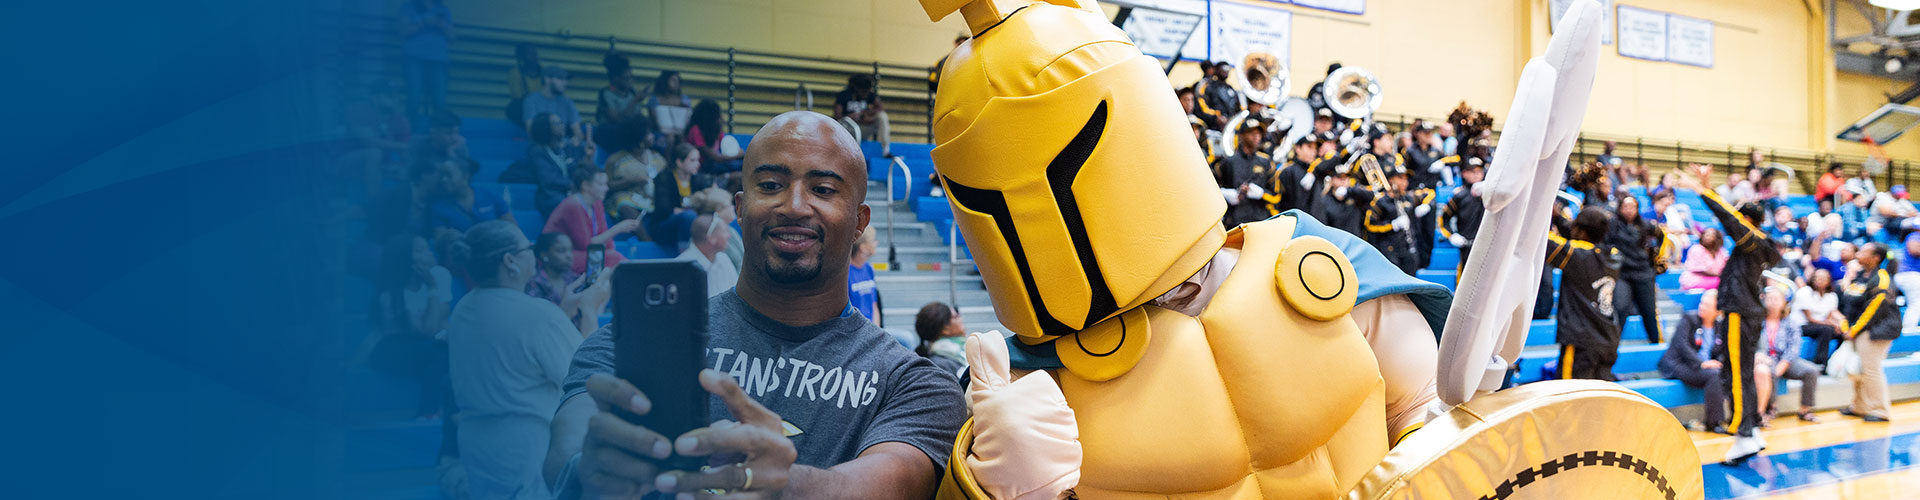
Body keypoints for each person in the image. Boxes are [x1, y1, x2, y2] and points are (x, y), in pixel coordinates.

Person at [543, 111, 967, 500]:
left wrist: (788, 487)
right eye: (770, 186)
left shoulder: (912, 383)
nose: (794, 206)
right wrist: (592, 468)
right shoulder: (631, 347)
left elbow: (892, 483)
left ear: (860, 221)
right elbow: (565, 450)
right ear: (742, 210)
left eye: (822, 189)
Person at [445, 220, 586, 500]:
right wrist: (590, 311)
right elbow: (585, 377)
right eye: (528, 247)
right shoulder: (538, 314)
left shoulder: (463, 309)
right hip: (526, 450)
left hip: (478, 445)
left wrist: (561, 315)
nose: (533, 252)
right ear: (510, 261)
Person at [1672, 164, 1783, 463]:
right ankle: (1751, 431)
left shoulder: (1753, 241)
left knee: (1736, 375)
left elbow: (1727, 217)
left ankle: (1743, 432)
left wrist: (1703, 189)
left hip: (1740, 314)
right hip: (1746, 313)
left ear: (1747, 220)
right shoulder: (1756, 247)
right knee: (1739, 373)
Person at [367, 234, 453, 419]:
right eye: (420, 251)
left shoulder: (440, 274)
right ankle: (428, 412)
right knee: (437, 353)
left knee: (451, 350)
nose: (429, 253)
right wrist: (432, 289)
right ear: (404, 258)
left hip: (426, 344)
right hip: (392, 349)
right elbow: (429, 330)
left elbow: (441, 317)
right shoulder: (391, 296)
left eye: (427, 248)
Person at [1547, 206, 1619, 381]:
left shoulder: (1577, 255)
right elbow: (1579, 239)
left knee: (1571, 399)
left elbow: (1543, 240)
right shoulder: (1614, 256)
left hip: (1581, 341)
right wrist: (1558, 218)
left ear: (1580, 230)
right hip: (1608, 339)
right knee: (1597, 400)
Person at [1839, 242, 1900, 423]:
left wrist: (1854, 329)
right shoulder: (1859, 276)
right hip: (1858, 329)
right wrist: (1845, 326)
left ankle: (1880, 410)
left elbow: (1874, 308)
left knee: (1871, 370)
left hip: (1877, 330)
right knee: (1859, 369)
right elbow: (1847, 303)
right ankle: (1859, 406)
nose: (1859, 253)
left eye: (1865, 251)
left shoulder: (1882, 277)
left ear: (1876, 258)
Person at [545, 165, 637, 275]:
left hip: (581, 253)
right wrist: (617, 229)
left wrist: (611, 249)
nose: (606, 188)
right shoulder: (573, 205)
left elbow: (604, 235)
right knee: (611, 258)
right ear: (585, 185)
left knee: (611, 255)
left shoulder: (597, 202)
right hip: (558, 256)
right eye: (601, 184)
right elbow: (587, 245)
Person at [1660, 290, 1727, 434]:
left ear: (1717, 310)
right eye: (1702, 303)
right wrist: (1702, 363)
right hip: (1679, 365)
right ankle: (1714, 422)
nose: (1702, 306)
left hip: (1702, 369)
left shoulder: (1720, 327)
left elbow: (1722, 351)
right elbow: (1681, 345)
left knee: (1723, 373)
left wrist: (1718, 362)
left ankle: (1736, 418)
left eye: (1707, 305)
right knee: (1714, 375)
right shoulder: (1689, 319)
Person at [1755, 286, 1822, 425]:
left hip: (1787, 359)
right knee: (1769, 370)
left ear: (1784, 302)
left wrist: (1785, 362)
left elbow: (1794, 346)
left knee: (1812, 370)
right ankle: (1769, 409)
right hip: (1766, 359)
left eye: (1776, 299)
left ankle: (1805, 409)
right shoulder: (1757, 322)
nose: (1773, 302)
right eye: (1770, 299)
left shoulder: (1791, 322)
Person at [524, 232, 612, 335]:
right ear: (544, 254)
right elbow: (537, 324)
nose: (569, 255)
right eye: (561, 250)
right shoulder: (535, 284)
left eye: (570, 250)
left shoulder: (576, 279)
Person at [1609, 195, 1667, 343]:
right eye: (1625, 207)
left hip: (1643, 273)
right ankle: (1612, 345)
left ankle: (1656, 342)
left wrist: (1656, 256)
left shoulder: (1646, 225)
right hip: (1622, 274)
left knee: (1649, 311)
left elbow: (1663, 236)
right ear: (1620, 208)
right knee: (1620, 307)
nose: (1629, 210)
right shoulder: (1611, 225)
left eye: (1632, 207)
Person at [522, 112, 593, 221]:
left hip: (570, 191)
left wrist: (587, 157)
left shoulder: (566, 147)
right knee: (567, 203)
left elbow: (577, 171)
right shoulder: (537, 151)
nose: (562, 125)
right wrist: (573, 185)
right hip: (551, 196)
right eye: (557, 124)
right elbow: (548, 179)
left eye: (561, 122)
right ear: (545, 128)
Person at [602, 120, 664, 229]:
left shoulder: (657, 158)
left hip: (653, 198)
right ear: (638, 138)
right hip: (627, 197)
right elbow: (607, 185)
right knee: (625, 206)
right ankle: (646, 241)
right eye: (648, 134)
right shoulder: (615, 160)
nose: (652, 136)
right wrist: (631, 181)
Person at [1212, 121, 1275, 228]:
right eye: (1252, 133)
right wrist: (1224, 193)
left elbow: (1276, 196)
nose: (1256, 137)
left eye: (1258, 134)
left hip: (1259, 221)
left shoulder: (1266, 162)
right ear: (1241, 136)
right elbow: (1212, 188)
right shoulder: (1228, 162)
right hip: (1234, 221)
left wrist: (1262, 193)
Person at [399, 0, 452, 123]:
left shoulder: (443, 9)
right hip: (414, 58)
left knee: (440, 102)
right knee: (413, 100)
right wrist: (424, 22)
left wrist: (441, 24)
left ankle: (440, 134)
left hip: (438, 60)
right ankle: (409, 136)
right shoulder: (408, 6)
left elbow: (453, 36)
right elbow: (402, 32)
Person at [1364, 167, 1424, 274]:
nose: (1404, 182)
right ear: (1391, 180)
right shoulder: (1381, 201)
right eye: (1400, 178)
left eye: (1406, 179)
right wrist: (1392, 225)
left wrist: (1426, 205)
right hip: (1389, 248)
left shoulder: (1408, 198)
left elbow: (1430, 194)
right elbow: (1370, 225)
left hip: (1408, 247)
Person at [646, 144, 707, 248]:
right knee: (688, 216)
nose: (697, 164)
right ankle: (685, 254)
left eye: (698, 160)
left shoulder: (698, 179)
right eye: (692, 160)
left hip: (692, 222)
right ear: (679, 162)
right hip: (664, 226)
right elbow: (664, 209)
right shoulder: (664, 178)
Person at [1792, 267, 1848, 365]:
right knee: (1827, 329)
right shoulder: (1804, 292)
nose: (1820, 281)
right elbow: (1810, 318)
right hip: (1803, 325)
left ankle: (1834, 363)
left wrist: (1840, 325)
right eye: (1817, 278)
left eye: (1823, 278)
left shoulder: (1831, 296)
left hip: (1822, 325)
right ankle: (1820, 363)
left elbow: (1830, 316)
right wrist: (1831, 325)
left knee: (1841, 333)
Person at [677, 213, 740, 298]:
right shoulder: (682, 267)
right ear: (711, 238)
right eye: (724, 231)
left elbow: (736, 293)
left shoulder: (723, 258)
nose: (729, 236)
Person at [1440, 157, 1487, 266]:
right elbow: (1443, 219)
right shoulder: (1459, 195)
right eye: (1472, 171)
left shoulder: (1490, 193)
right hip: (1467, 245)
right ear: (1465, 173)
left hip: (1487, 244)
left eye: (1479, 171)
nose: (1476, 174)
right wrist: (1451, 235)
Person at [521, 65, 583, 144]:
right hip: (540, 146)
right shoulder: (531, 100)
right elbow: (531, 132)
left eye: (566, 79)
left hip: (562, 147)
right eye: (560, 79)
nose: (565, 83)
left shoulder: (567, 102)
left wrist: (575, 141)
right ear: (547, 79)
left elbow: (578, 133)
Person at [833, 74, 890, 157]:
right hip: (847, 130)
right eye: (863, 91)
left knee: (882, 116)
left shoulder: (869, 94)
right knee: (842, 123)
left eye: (867, 91)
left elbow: (880, 108)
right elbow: (837, 117)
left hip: (862, 127)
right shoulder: (843, 95)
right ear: (856, 88)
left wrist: (866, 113)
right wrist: (850, 117)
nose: (865, 94)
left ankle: (886, 150)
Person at [912, 302, 967, 377]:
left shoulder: (957, 351)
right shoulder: (940, 364)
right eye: (956, 316)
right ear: (945, 329)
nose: (961, 318)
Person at [687, 99, 743, 171]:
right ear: (710, 118)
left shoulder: (715, 131)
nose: (721, 119)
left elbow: (725, 149)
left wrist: (737, 153)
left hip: (713, 166)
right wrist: (738, 155)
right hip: (700, 168)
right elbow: (715, 157)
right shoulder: (695, 130)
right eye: (718, 116)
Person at [597, 53, 647, 127]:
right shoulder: (606, 93)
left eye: (632, 77)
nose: (631, 81)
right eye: (627, 78)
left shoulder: (632, 92)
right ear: (615, 78)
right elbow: (616, 120)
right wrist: (635, 101)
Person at [1193, 60, 1240, 130]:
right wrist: (1216, 117)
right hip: (1211, 126)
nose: (1226, 71)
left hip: (1229, 126)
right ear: (1216, 69)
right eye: (1223, 68)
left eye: (1228, 69)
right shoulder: (1207, 86)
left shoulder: (1230, 89)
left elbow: (1237, 107)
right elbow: (1201, 105)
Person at [847, 228, 881, 325]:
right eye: (873, 241)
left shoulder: (868, 268)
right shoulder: (846, 273)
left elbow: (874, 305)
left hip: (871, 330)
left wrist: (876, 331)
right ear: (863, 248)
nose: (876, 243)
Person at [505, 43, 542, 128]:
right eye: (530, 54)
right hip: (525, 109)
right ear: (521, 57)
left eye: (535, 53)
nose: (534, 56)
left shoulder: (545, 73)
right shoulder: (514, 73)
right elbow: (517, 98)